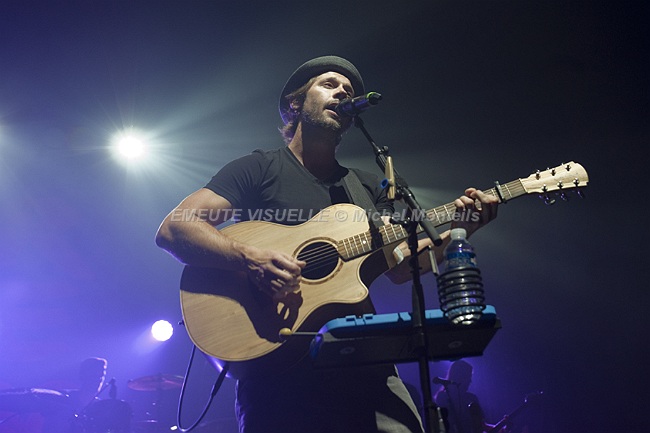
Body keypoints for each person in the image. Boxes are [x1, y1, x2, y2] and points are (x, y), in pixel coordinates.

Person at [155, 55, 499, 433]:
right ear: (296, 104)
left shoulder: (366, 186)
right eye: (330, 84)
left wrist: (460, 231)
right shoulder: (258, 168)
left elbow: (401, 268)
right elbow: (175, 228)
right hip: (276, 373)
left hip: (365, 363)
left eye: (348, 91)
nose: (342, 93)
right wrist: (251, 258)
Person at [434, 360, 499, 433]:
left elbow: (481, 425)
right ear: (459, 377)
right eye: (468, 377)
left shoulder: (472, 398)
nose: (470, 381)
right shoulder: (443, 397)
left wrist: (500, 427)